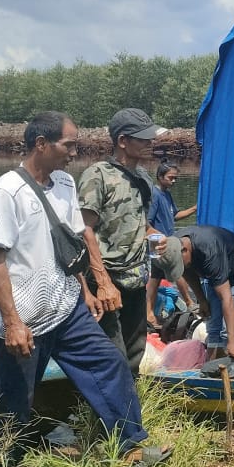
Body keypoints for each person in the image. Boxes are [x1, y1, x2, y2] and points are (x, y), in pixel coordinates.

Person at [0, 112, 170, 467]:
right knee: (12, 404)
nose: (74, 151)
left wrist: (86, 290)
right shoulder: (6, 192)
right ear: (41, 144)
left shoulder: (66, 183)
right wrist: (12, 322)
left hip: (67, 309)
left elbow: (73, 244)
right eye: (69, 144)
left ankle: (130, 447)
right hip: (27, 321)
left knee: (109, 364)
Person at [78, 108, 164, 375]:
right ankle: (106, 412)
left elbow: (141, 224)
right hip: (107, 279)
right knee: (110, 353)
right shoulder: (98, 175)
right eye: (143, 138)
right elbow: (83, 229)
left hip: (136, 278)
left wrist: (157, 238)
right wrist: (102, 282)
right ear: (122, 141)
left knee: (134, 350)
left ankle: (129, 407)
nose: (150, 143)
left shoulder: (143, 178)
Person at [174, 225, 234, 362]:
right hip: (215, 273)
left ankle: (233, 373)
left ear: (185, 250)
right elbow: (187, 272)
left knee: (228, 333)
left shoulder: (209, 250)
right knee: (213, 327)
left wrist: (232, 342)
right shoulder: (175, 247)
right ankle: (210, 369)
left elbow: (226, 298)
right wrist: (202, 300)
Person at [145, 229, 197, 331]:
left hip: (168, 243)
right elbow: (154, 281)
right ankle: (189, 303)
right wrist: (149, 313)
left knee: (177, 272)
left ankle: (190, 303)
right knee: (156, 279)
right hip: (158, 246)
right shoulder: (157, 258)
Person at [147, 162, 196, 237]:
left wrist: (195, 208)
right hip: (159, 241)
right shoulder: (155, 194)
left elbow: (175, 215)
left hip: (168, 239)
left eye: (175, 178)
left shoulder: (167, 194)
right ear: (160, 176)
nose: (174, 181)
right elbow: (147, 222)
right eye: (171, 177)